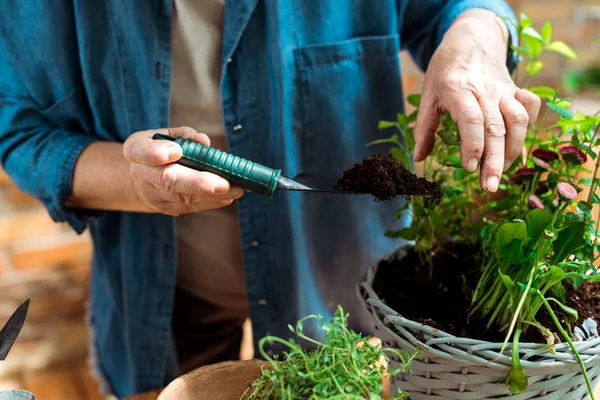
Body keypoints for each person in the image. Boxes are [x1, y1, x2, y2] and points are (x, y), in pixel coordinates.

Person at [0, 1, 540, 397]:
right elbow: (19, 128)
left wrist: (473, 46)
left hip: (342, 296)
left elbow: (461, 8)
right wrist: (130, 175)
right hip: (161, 297)